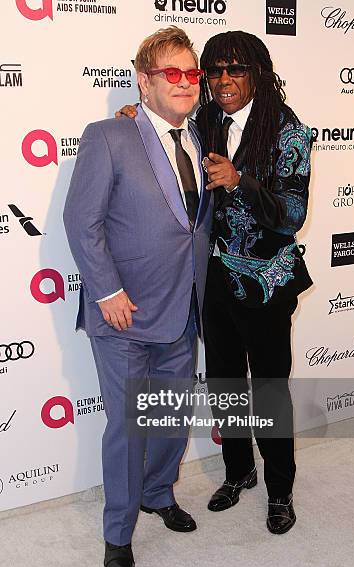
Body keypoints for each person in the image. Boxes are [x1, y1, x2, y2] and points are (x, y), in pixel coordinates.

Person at [119, 30, 313, 535]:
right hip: (212, 282)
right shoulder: (205, 118)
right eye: (216, 70)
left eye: (237, 70)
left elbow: (292, 215)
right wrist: (132, 119)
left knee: (269, 391)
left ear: (259, 73)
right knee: (227, 384)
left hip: (267, 284)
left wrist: (240, 181)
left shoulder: (289, 132)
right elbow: (162, 132)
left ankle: (280, 491)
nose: (224, 81)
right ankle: (238, 472)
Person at [64, 27, 212, 567]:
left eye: (191, 73)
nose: (184, 82)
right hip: (122, 312)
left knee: (172, 416)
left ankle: (158, 493)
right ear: (143, 81)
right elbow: (82, 222)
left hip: (184, 307)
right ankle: (118, 531)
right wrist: (106, 290)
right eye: (170, 73)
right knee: (128, 427)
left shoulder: (199, 139)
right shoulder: (108, 136)